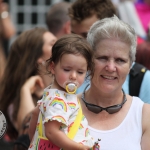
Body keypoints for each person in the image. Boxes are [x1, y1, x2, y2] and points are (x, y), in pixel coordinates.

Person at [78, 16, 150, 150]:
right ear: (88, 61)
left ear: (130, 66)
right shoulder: (64, 107)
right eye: (102, 58)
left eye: (120, 60)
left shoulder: (144, 115)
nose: (111, 67)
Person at [69, 0, 150, 103]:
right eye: (74, 35)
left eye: (86, 36)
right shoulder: (66, 72)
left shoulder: (142, 80)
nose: (77, 43)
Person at [28, 34, 99, 150]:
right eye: (67, 70)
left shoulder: (53, 94)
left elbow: (35, 114)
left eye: (80, 72)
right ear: (52, 67)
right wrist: (79, 148)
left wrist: (34, 142)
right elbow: (51, 132)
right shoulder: (57, 99)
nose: (73, 76)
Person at [0, 27, 57, 141]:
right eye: (53, 45)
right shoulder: (18, 100)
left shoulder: (64, 89)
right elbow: (30, 134)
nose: (60, 48)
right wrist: (25, 91)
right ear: (38, 57)